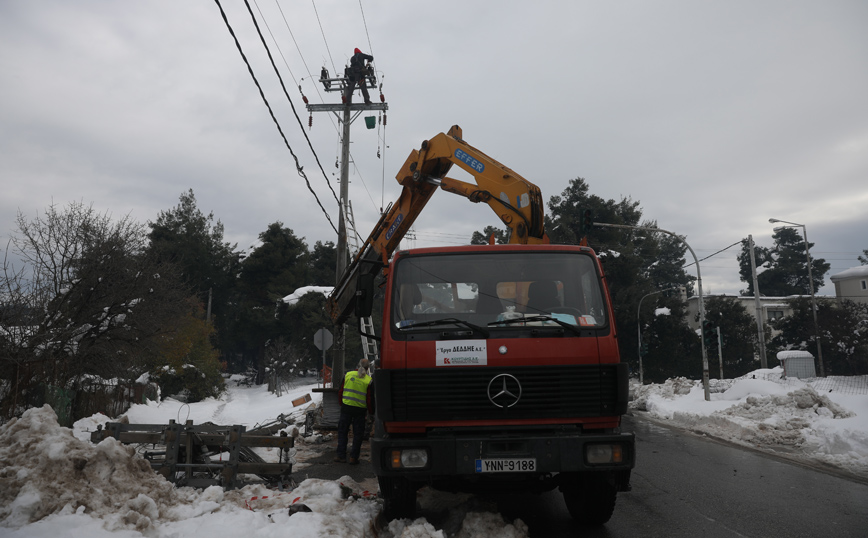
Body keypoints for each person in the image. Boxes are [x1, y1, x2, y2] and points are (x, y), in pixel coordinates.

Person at [334, 358, 373, 464]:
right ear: (367, 368)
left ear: (357, 365)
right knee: (358, 434)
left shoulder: (348, 375)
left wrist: (342, 404)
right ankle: (353, 457)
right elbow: (369, 399)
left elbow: (340, 391)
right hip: (360, 411)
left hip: (346, 408)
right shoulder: (368, 380)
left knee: (342, 432)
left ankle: (341, 455)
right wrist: (371, 412)